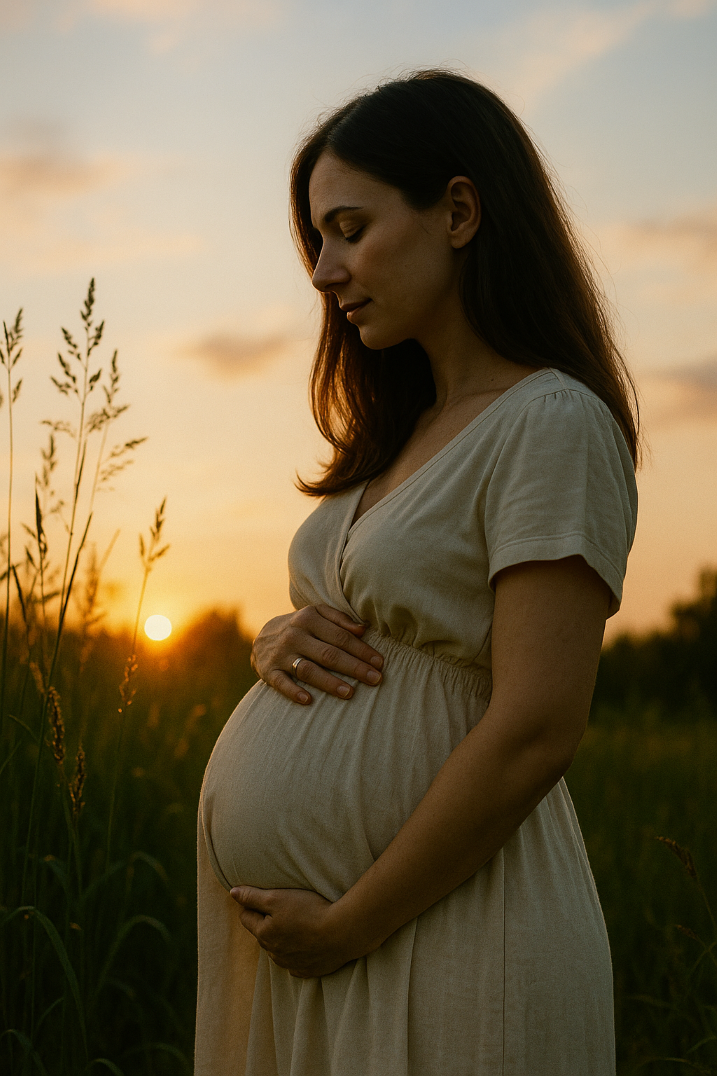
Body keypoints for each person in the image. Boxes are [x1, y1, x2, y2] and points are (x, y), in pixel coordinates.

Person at [195, 69, 639, 1076]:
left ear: (460, 211)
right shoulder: (394, 437)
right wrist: (275, 637)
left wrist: (353, 920)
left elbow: (537, 723)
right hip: (329, 950)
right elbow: (374, 618)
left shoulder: (551, 421)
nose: (322, 269)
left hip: (448, 930)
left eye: (349, 227)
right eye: (316, 238)